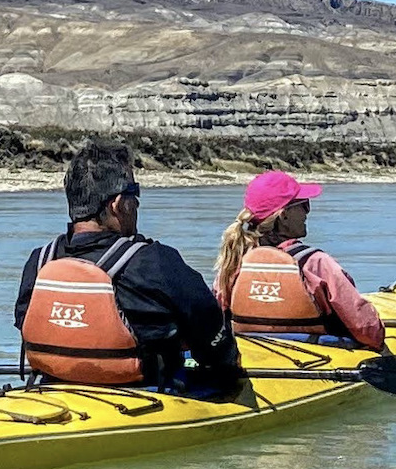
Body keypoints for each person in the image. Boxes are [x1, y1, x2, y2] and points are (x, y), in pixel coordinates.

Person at [14, 141, 244, 395]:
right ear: (118, 204)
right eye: (134, 193)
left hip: (52, 387)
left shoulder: (39, 261)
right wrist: (230, 371)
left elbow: (23, 323)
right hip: (145, 393)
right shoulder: (155, 262)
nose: (137, 204)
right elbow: (212, 333)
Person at [212, 171, 388, 351]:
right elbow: (368, 331)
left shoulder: (234, 263)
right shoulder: (315, 263)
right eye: (303, 205)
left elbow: (214, 319)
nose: (307, 212)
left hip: (249, 354)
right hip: (318, 358)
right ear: (284, 216)